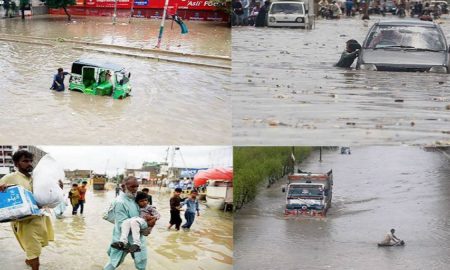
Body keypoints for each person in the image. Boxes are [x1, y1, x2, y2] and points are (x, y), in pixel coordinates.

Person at [0, 150, 55, 270]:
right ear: (16, 163)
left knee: (36, 247)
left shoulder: (36, 178)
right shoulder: (11, 177)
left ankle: (29, 260)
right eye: (25, 161)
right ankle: (34, 264)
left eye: (30, 161)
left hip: (40, 218)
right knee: (34, 250)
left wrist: (56, 187)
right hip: (24, 222)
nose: (29, 163)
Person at [104, 176, 149, 270]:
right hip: (123, 239)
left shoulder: (135, 199)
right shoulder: (120, 202)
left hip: (138, 239)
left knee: (141, 264)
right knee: (114, 262)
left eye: (137, 186)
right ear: (123, 186)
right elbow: (122, 224)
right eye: (132, 187)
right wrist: (145, 225)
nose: (135, 189)